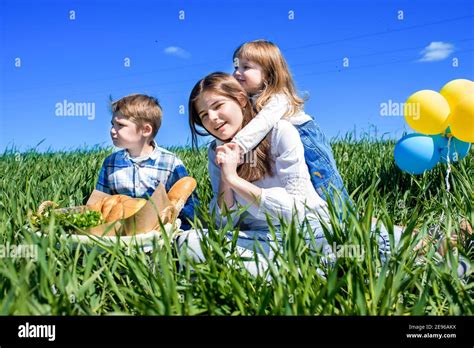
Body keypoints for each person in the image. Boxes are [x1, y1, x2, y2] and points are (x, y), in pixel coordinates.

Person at [183, 72, 400, 277]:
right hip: (260, 239)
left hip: (308, 231)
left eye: (218, 106)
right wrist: (225, 179)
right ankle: (308, 270)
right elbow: (224, 224)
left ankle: (290, 270)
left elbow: (295, 210)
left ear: (240, 99)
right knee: (188, 242)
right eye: (203, 115)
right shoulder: (216, 152)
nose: (212, 118)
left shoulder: (280, 132)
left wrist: (235, 180)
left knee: (381, 238)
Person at [229, 39, 350, 205]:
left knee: (325, 182)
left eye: (246, 67)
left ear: (268, 73)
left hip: (306, 139)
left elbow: (263, 122)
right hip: (284, 143)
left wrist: (237, 146)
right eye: (236, 67)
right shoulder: (249, 100)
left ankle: (346, 217)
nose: (237, 72)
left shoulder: (279, 97)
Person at [95, 93, 197, 230]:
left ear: (146, 130)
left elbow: (189, 203)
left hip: (159, 231)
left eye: (120, 125)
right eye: (112, 124)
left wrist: (175, 222)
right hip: (120, 233)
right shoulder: (110, 163)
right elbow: (101, 202)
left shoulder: (170, 162)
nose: (112, 130)